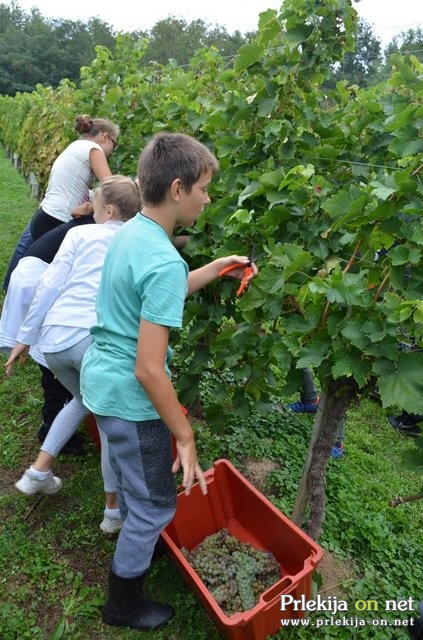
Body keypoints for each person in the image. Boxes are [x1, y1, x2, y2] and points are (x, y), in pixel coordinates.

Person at [79, 132, 257, 630]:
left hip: (103, 380)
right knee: (157, 505)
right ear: (178, 189)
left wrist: (214, 268)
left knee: (139, 484)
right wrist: (185, 432)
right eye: (203, 188)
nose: (207, 198)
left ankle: (136, 540)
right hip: (130, 398)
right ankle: (123, 604)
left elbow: (160, 285)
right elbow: (150, 369)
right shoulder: (160, 258)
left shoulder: (137, 231)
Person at [5, 175, 142, 534]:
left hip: (53, 343)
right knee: (110, 421)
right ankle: (113, 512)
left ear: (108, 208)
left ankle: (39, 471)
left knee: (82, 400)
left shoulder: (78, 234)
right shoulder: (134, 241)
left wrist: (24, 337)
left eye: (95, 208)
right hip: (91, 341)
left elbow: (49, 284)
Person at [0, 204, 95, 455]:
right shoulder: (100, 230)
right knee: (53, 359)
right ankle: (53, 426)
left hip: (34, 274)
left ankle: (55, 422)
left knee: (53, 356)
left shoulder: (91, 220)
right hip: (38, 282)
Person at [3, 114, 118, 290]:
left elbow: (73, 186)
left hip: (45, 214)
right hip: (59, 218)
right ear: (104, 136)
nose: (113, 151)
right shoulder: (94, 149)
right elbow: (112, 188)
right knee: (52, 278)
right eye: (114, 144)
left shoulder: (74, 147)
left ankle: (10, 293)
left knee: (27, 261)